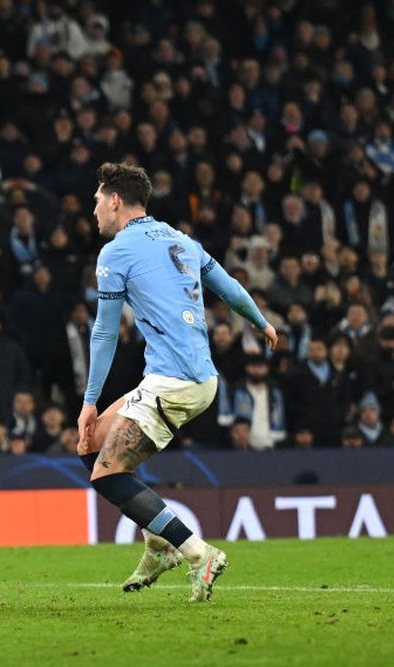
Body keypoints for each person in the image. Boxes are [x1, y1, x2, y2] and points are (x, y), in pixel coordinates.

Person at [77, 163, 277, 601]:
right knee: (91, 445)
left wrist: (90, 400)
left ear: (115, 201)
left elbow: (106, 332)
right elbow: (229, 287)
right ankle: (156, 545)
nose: (93, 211)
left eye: (97, 201)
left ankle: (196, 552)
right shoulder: (181, 239)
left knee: (106, 475)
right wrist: (261, 322)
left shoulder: (115, 252)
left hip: (174, 382)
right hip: (195, 377)